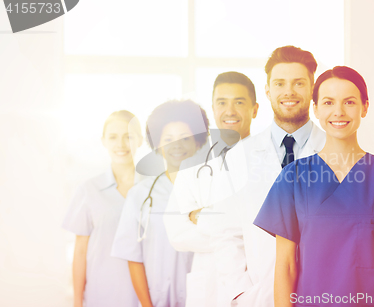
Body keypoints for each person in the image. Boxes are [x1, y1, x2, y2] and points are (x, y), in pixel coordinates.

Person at [254, 66, 374, 307]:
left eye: (349, 102)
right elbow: (285, 266)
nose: (338, 112)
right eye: (328, 102)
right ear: (315, 109)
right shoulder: (293, 177)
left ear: (364, 107)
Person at [228, 45, 326, 306]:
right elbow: (229, 233)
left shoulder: (334, 151)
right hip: (259, 297)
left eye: (298, 83)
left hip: (323, 293)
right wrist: (241, 293)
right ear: (268, 90)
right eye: (280, 83)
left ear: (313, 88)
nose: (289, 92)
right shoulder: (240, 156)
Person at [164, 71, 259, 307]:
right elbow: (178, 234)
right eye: (222, 102)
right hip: (208, 290)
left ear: (255, 109)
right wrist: (245, 232)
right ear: (214, 109)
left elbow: (273, 231)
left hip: (258, 285)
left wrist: (202, 217)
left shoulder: (271, 163)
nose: (230, 111)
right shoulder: (192, 166)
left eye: (239, 102)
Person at [111, 100, 210, 307]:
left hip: (204, 298)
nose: (177, 145)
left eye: (185, 138)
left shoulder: (212, 192)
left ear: (198, 142)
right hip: (155, 300)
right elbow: (133, 257)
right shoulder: (140, 195)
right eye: (168, 139)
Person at [62, 110, 142, 307]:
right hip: (101, 296)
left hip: (144, 298)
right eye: (113, 137)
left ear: (140, 140)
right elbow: (80, 251)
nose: (121, 144)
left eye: (128, 136)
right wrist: (77, 302)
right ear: (103, 141)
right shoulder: (88, 190)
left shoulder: (154, 189)